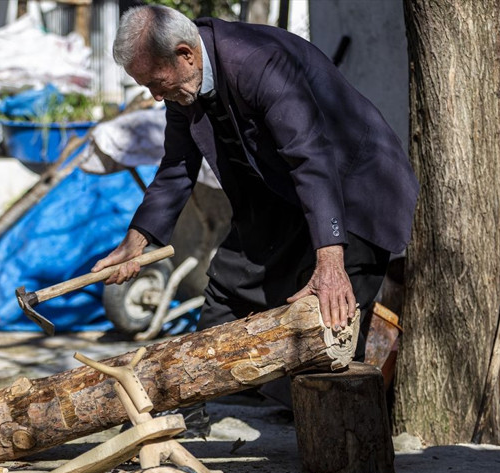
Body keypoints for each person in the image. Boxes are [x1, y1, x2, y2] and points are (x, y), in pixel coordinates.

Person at [93, 6, 419, 430]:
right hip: (279, 195)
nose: (155, 96)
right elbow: (176, 166)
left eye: (156, 83)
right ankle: (187, 398)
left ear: (185, 55)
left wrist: (331, 261)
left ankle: (329, 427)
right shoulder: (182, 84)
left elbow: (312, 160)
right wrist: (136, 241)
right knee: (227, 288)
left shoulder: (258, 62)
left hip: (353, 189)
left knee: (327, 323)